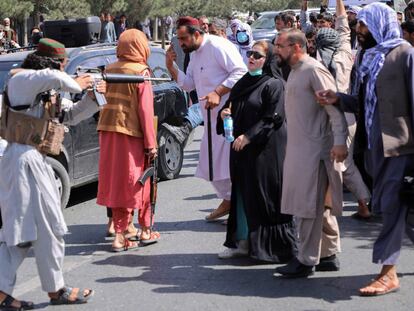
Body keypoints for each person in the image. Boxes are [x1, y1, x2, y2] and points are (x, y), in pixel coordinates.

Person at [315, 2, 414, 296]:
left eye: (364, 25)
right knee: (402, 210)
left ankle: (388, 272)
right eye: (358, 24)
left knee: (391, 208)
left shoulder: (404, 55)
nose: (359, 30)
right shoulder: (368, 57)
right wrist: (337, 98)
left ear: (379, 25)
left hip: (401, 147)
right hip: (373, 148)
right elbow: (362, 103)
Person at [0, 38, 100, 309]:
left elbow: (70, 116)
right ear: (53, 62)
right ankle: (15, 290)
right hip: (21, 160)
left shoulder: (46, 89)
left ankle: (53, 289)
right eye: (63, 63)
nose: (66, 68)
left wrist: (92, 98)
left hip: (34, 161)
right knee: (23, 231)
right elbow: (52, 76)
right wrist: (79, 81)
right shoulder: (23, 80)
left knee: (37, 230)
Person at [273, 29, 348, 278]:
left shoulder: (313, 70)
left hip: (315, 152)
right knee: (318, 206)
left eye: (280, 46)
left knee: (307, 207)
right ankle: (328, 254)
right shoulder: (295, 71)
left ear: (296, 47)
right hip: (300, 151)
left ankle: (305, 260)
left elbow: (334, 109)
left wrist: (339, 142)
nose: (276, 51)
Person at [216, 40, 298, 262]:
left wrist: (249, 136)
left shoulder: (274, 84)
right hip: (241, 150)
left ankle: (271, 247)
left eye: (257, 55)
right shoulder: (243, 82)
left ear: (268, 59)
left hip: (266, 151)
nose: (251, 58)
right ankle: (242, 243)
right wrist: (224, 115)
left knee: (265, 198)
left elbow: (273, 118)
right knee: (242, 195)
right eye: (249, 54)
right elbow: (231, 107)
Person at [166, 16, 246, 222]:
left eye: (184, 38)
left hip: (227, 117)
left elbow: (240, 72)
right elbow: (189, 84)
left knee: (226, 164)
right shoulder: (194, 54)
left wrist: (218, 92)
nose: (181, 43)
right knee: (210, 164)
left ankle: (237, 205)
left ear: (197, 34)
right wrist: (171, 67)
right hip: (209, 119)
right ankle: (229, 201)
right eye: (179, 38)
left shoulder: (219, 46)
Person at [97, 29, 159, 252]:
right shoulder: (141, 72)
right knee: (137, 182)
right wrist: (151, 144)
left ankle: (122, 230)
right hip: (130, 134)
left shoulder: (109, 69)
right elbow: (145, 111)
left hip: (107, 132)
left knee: (116, 183)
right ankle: (128, 234)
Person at [316, 0, 371, 220]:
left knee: (343, 163)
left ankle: (363, 204)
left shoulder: (319, 62)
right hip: (349, 113)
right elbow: (343, 29)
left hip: (336, 114)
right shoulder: (345, 53)